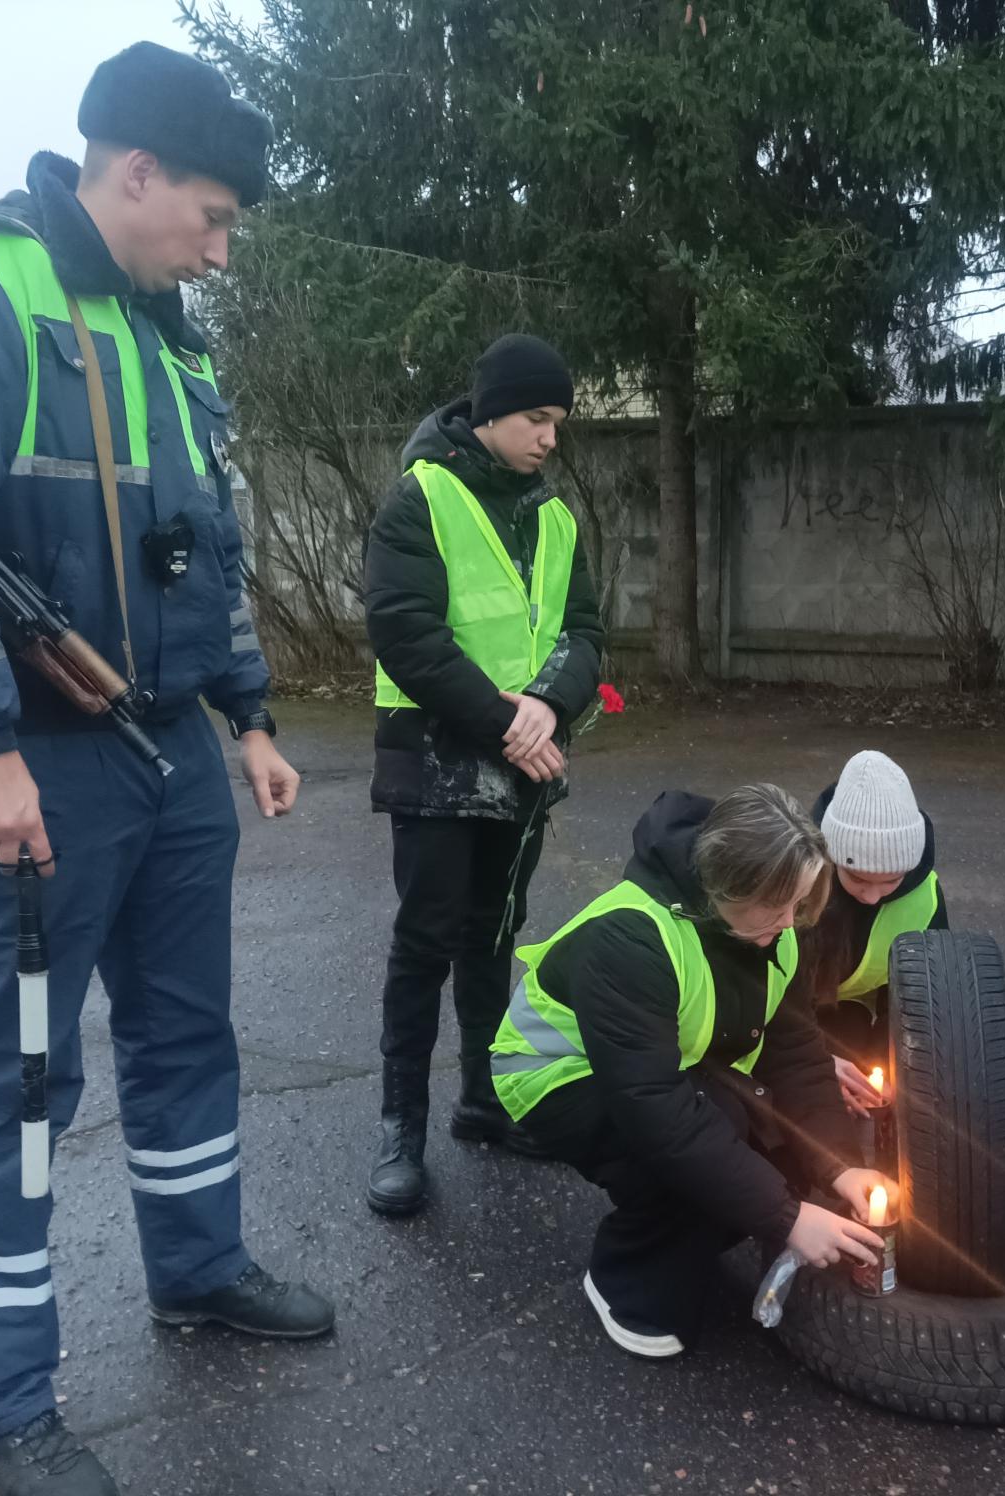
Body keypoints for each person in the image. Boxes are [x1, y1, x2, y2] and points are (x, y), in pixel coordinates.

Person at [0, 43, 333, 1496]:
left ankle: (199, 1268)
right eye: (215, 215)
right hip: (40, 771)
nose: (223, 247)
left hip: (172, 757)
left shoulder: (169, 334)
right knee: (13, 1086)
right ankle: (4, 1417)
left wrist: (247, 717)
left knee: (188, 1038)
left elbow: (211, 545)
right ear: (136, 173)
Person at [491, 785, 892, 1357]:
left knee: (769, 1143)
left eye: (798, 904)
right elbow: (655, 1110)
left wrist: (839, 1167)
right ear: (724, 886)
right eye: (774, 907)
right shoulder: (629, 936)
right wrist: (784, 1216)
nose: (790, 923)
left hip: (659, 1061)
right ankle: (624, 1282)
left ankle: (694, 1229)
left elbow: (797, 1052)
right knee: (717, 1134)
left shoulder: (775, 925)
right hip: (555, 1074)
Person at [361, 334, 606, 1216]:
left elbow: (585, 633)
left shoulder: (557, 516)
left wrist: (547, 703)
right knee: (426, 938)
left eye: (558, 423)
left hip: (523, 762)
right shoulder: (418, 499)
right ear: (491, 412)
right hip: (436, 758)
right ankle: (401, 1132)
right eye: (537, 419)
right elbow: (405, 634)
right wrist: (511, 721)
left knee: (494, 934)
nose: (551, 438)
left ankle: (483, 1099)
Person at [789, 751, 949, 1115]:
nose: (873, 895)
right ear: (831, 858)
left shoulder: (926, 897)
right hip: (783, 1018)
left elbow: (922, 1001)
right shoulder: (796, 881)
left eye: (892, 880)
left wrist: (890, 1065)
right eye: (857, 878)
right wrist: (813, 1062)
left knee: (865, 1070)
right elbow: (762, 991)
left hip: (850, 1013)